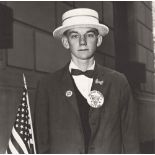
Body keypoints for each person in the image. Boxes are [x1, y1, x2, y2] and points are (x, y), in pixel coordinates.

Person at [34, 8, 139, 154]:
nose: (82, 42)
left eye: (89, 35)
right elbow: (41, 143)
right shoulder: (47, 86)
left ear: (99, 40)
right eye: (75, 36)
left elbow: (131, 140)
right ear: (65, 42)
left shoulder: (118, 83)